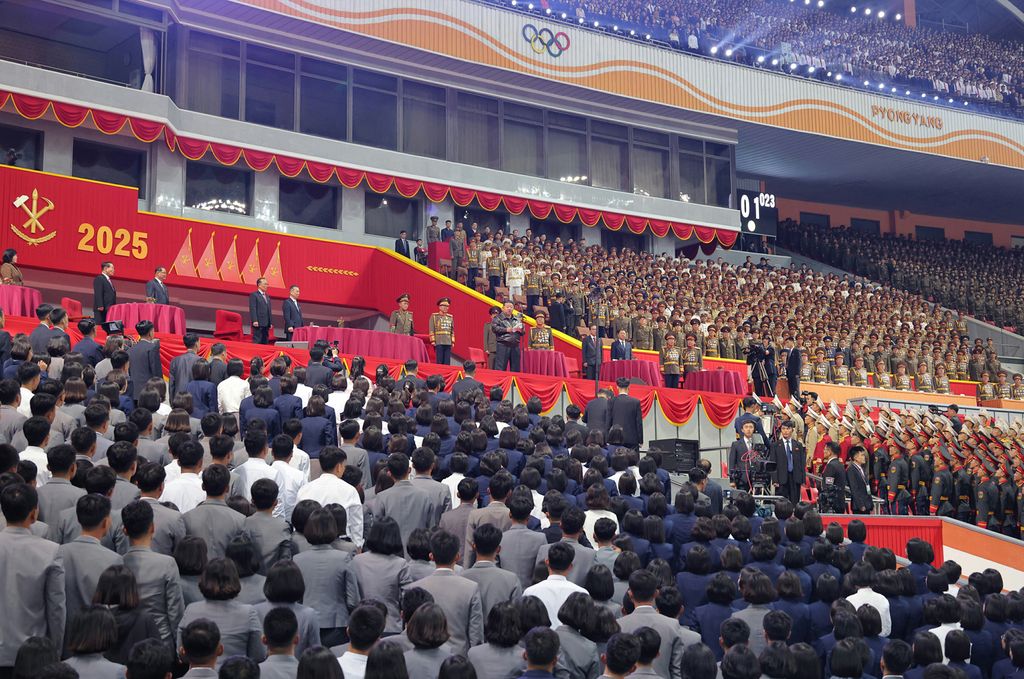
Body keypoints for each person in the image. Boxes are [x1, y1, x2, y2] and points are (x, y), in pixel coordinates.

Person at [0, 482, 65, 675]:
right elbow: (56, 609)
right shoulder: (50, 551)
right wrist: (55, 651)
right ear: (34, 513)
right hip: (34, 655)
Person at [177, 557, 266, 667]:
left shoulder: (191, 610)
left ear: (204, 579)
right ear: (234, 579)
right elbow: (259, 655)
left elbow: (182, 655)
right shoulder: (248, 612)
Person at [772, 420, 805, 505]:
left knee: (795, 502)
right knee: (781, 504)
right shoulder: (775, 445)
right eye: (783, 429)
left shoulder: (798, 445)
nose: (785, 431)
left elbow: (802, 463)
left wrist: (803, 480)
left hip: (795, 477)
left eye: (788, 429)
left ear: (792, 430)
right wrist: (775, 480)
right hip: (781, 478)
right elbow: (773, 464)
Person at [128, 320, 161, 402]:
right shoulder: (152, 348)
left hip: (132, 391)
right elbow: (156, 371)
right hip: (148, 392)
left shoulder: (130, 350)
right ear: (150, 332)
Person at [609, 378, 643, 449]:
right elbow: (638, 423)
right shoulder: (635, 402)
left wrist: (608, 438)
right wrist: (640, 440)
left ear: (617, 387)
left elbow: (608, 421)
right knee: (632, 459)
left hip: (616, 439)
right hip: (632, 440)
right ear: (629, 387)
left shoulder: (611, 401)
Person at [492, 302, 524, 372]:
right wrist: (506, 329)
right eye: (507, 307)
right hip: (503, 345)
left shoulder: (517, 319)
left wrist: (521, 329)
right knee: (500, 367)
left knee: (516, 368)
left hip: (515, 345)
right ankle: (500, 382)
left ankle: (514, 382)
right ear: (503, 308)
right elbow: (494, 328)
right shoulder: (498, 318)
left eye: (511, 307)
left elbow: (523, 332)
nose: (509, 309)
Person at [847, 446, 873, 514]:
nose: (864, 457)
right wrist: (860, 505)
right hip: (859, 506)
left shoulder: (861, 469)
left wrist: (870, 503)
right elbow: (854, 488)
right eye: (862, 455)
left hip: (866, 504)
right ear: (855, 457)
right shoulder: (851, 469)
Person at [430, 298, 455, 366]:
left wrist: (452, 341)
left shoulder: (450, 317)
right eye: (444, 306)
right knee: (439, 361)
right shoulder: (434, 316)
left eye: (447, 306)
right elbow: (431, 329)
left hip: (448, 341)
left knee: (447, 361)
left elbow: (452, 330)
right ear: (439, 306)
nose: (446, 308)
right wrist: (433, 340)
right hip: (439, 341)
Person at [249, 277, 272, 345]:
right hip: (258, 322)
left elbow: (269, 310)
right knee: (257, 340)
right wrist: (255, 320)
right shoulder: (254, 295)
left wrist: (270, 322)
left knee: (265, 341)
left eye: (267, 284)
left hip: (266, 323)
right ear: (259, 285)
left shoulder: (267, 296)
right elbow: (253, 308)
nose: (266, 286)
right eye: (265, 284)